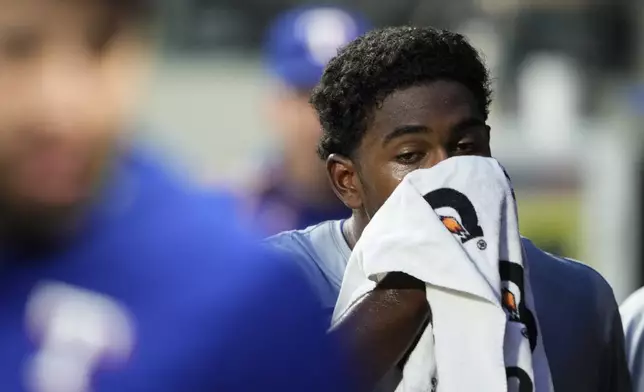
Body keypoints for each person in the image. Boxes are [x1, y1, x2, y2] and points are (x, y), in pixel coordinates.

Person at [0, 1, 352, 391]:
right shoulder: (239, 205)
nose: (63, 104)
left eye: (101, 44)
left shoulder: (238, 288)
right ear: (273, 101)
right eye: (16, 49)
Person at [266, 26, 631, 391]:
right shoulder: (278, 284)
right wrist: (412, 285)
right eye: (410, 156)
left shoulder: (579, 297)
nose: (446, 173)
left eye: (465, 146)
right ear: (348, 180)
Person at [244, 5, 370, 235]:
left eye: (343, 95)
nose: (324, 115)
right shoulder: (239, 214)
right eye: (305, 95)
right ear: (272, 103)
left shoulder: (412, 211)